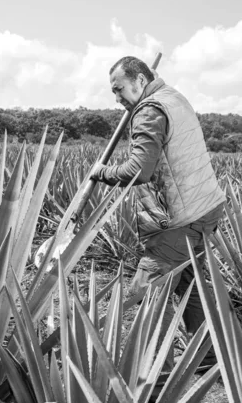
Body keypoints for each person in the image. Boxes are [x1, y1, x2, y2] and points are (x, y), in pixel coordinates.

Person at [90, 56, 225, 374]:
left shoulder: (150, 110)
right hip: (204, 208)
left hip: (179, 217)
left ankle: (154, 384)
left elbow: (139, 170)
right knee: (189, 286)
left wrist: (103, 171)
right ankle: (209, 361)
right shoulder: (172, 97)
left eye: (119, 89)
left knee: (151, 290)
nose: (117, 97)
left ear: (138, 80)